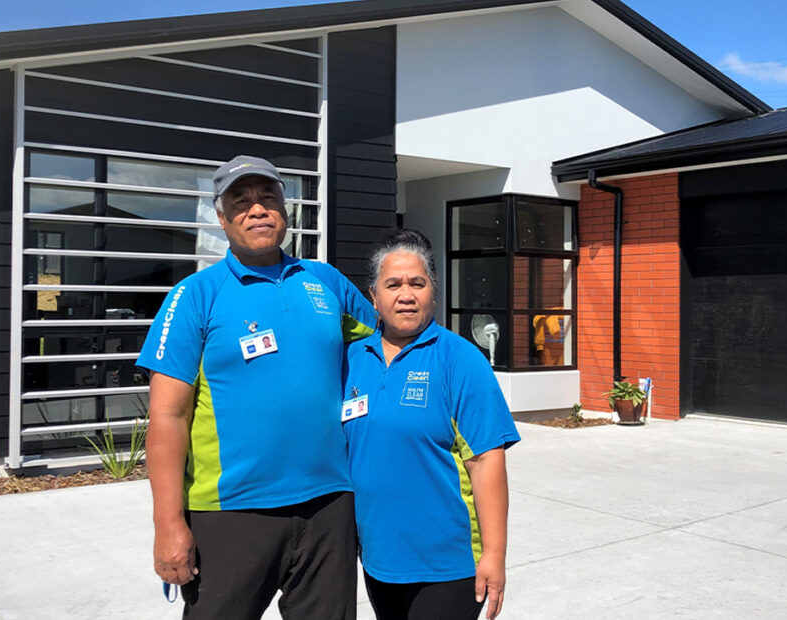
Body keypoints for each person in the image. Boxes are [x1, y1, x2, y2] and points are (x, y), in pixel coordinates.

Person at [136, 155, 376, 620]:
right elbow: (168, 417)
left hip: (329, 505)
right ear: (222, 219)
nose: (258, 209)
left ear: (286, 212)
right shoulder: (195, 295)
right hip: (231, 511)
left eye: (268, 198)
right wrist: (167, 524)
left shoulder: (325, 282)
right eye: (241, 202)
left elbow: (386, 347)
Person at [342, 230, 520, 620]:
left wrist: (494, 554)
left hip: (447, 566)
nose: (406, 294)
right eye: (393, 284)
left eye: (417, 283)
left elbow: (487, 461)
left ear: (433, 293)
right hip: (379, 559)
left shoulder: (460, 360)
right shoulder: (354, 358)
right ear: (373, 296)